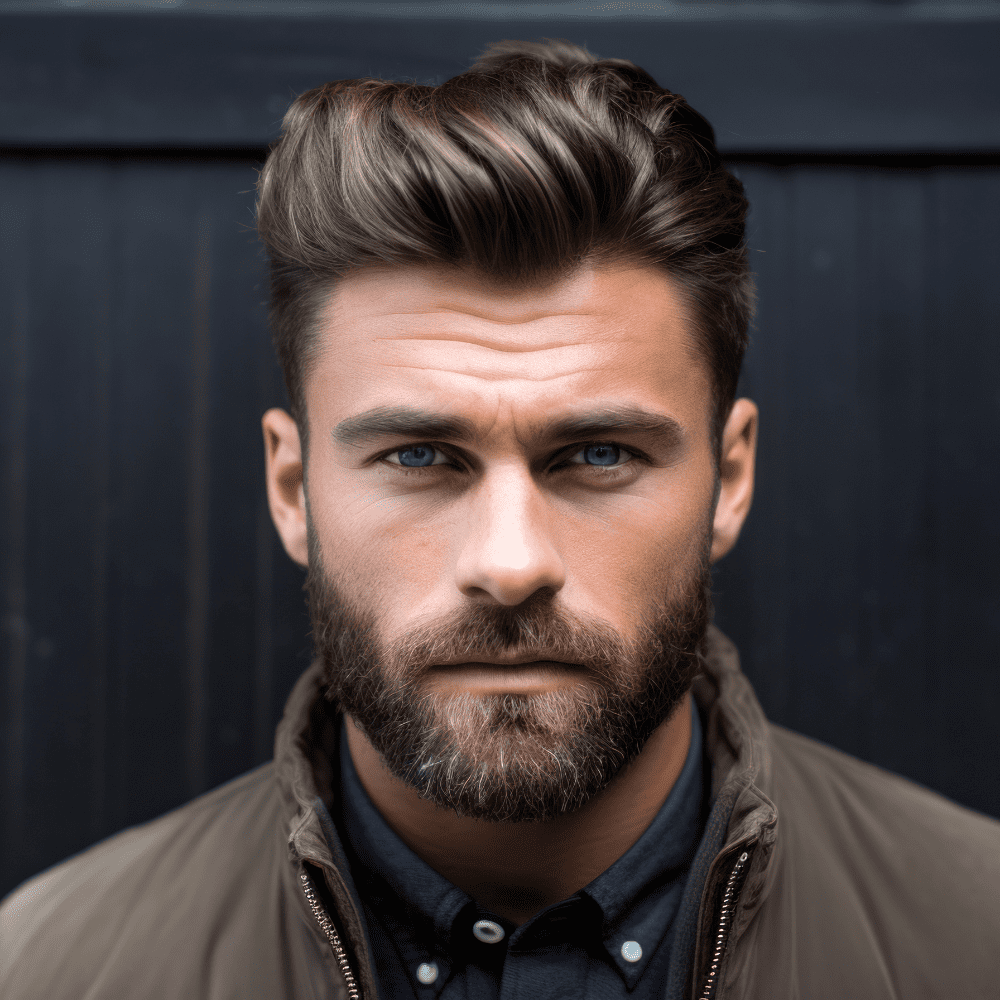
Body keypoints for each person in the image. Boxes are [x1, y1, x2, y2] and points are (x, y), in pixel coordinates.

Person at [2, 37, 998, 1000]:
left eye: (599, 454)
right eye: (420, 457)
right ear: (291, 489)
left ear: (729, 478)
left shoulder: (975, 938)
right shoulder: (48, 971)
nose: (511, 563)